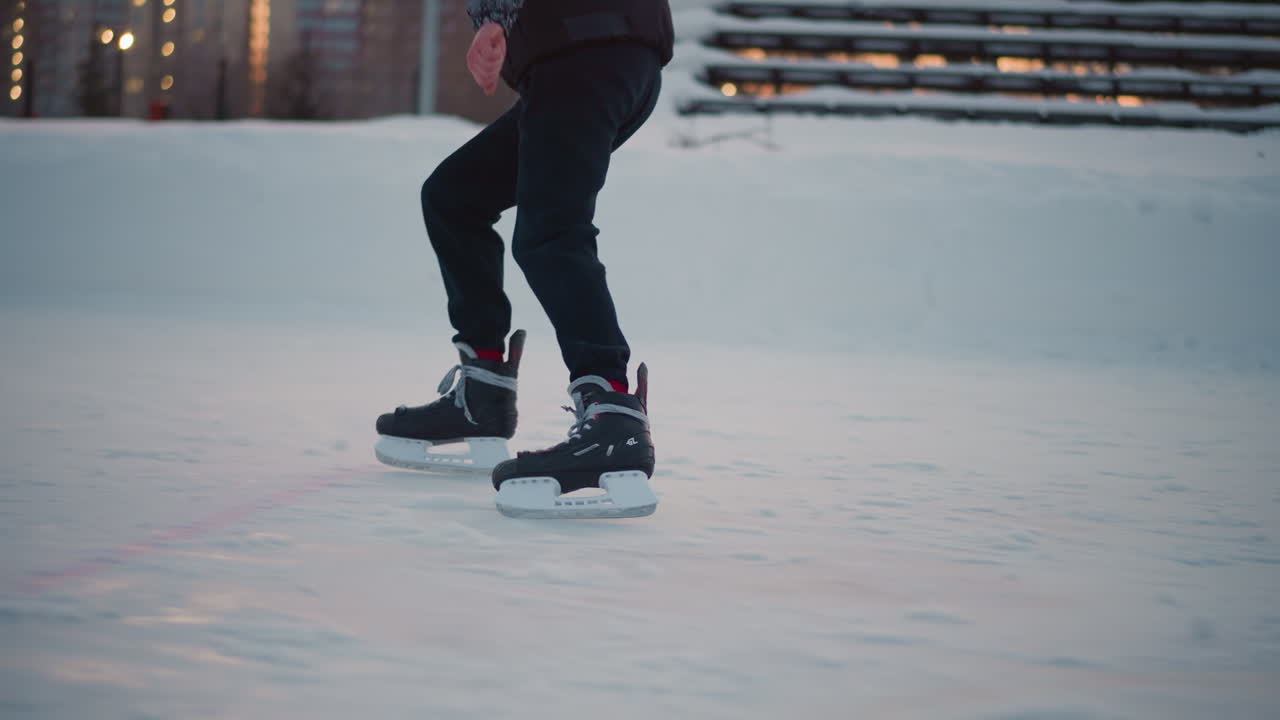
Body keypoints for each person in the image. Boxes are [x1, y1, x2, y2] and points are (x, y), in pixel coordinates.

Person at [374, 0, 675, 519]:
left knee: (551, 232)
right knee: (454, 197)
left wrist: (497, 16)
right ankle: (484, 391)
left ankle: (613, 416)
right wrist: (498, 20)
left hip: (586, 46)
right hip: (599, 50)